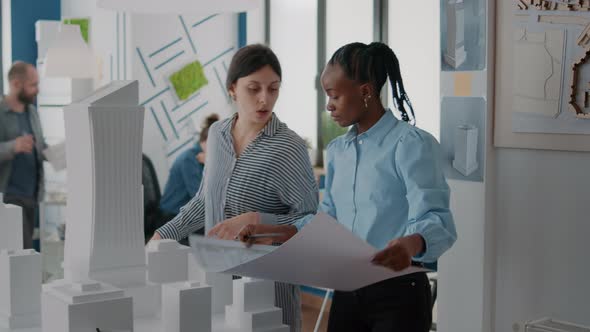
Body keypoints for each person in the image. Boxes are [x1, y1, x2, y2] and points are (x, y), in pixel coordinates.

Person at [229, 42, 458, 332]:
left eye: (334, 95)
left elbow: (439, 221)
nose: (328, 105)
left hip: (398, 292)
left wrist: (410, 245)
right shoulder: (338, 151)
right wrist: (273, 230)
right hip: (348, 289)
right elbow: (327, 220)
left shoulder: (411, 144)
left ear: (365, 92)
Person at [151, 44, 318, 332]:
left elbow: (311, 221)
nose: (264, 99)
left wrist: (256, 220)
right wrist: (161, 235)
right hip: (217, 284)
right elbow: (204, 202)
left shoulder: (288, 147)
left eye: (273, 89)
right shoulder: (217, 135)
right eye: (254, 89)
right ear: (232, 89)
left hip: (268, 291)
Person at [0, 61, 46, 249]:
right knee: (20, 253)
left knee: (25, 251)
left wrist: (52, 152)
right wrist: (14, 146)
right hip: (10, 197)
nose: (37, 90)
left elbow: (39, 145)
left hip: (32, 196)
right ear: (16, 84)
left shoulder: (32, 112)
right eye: (33, 85)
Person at [159, 114, 219, 230]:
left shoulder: (202, 157)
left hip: (186, 214)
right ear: (208, 140)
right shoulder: (189, 159)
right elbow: (201, 199)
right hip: (171, 217)